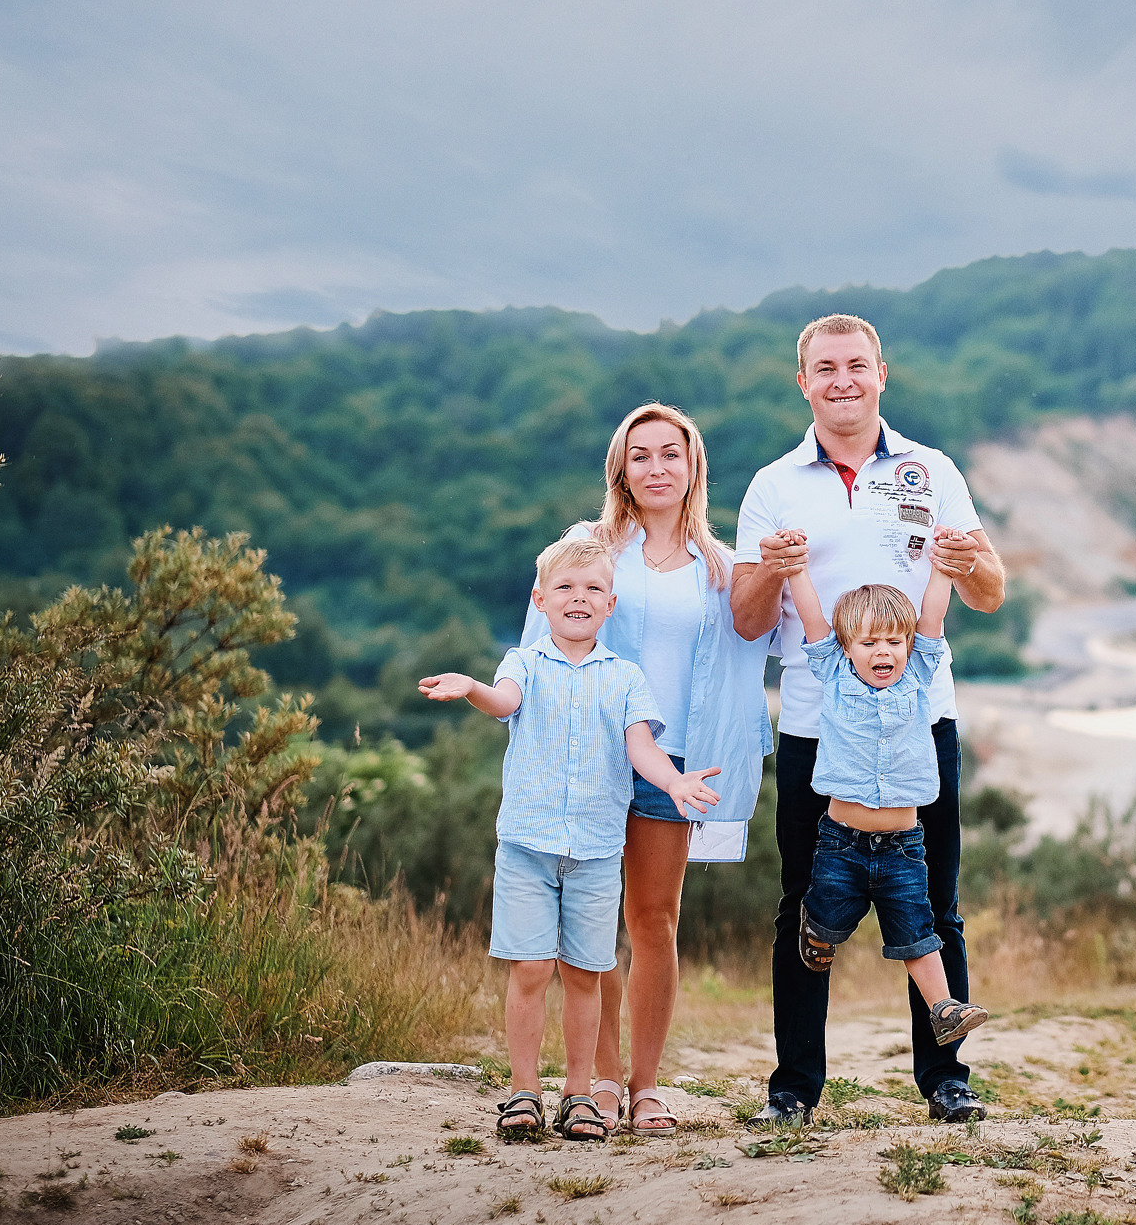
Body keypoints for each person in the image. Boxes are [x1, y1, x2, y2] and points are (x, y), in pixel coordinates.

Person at [731, 313, 1008, 1125]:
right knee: (801, 905)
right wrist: (772, 571)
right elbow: (747, 619)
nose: (842, 379)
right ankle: (793, 1089)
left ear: (882, 373)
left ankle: (947, 1079)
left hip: (923, 723)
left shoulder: (933, 469)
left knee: (937, 903)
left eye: (856, 364)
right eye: (825, 367)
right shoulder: (773, 485)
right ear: (803, 382)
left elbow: (991, 591)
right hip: (815, 728)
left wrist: (967, 563)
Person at [518, 402, 774, 1136]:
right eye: (641, 456)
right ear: (621, 471)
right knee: (592, 916)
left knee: (655, 920)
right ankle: (599, 1080)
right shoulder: (590, 548)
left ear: (692, 468)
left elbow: (759, 641)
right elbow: (540, 647)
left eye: (671, 454)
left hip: (678, 760)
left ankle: (647, 1084)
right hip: (593, 756)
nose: (656, 467)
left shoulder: (723, 567)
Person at [421, 535, 722, 1141]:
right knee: (531, 969)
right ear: (541, 599)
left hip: (596, 853)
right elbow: (503, 703)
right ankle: (523, 1092)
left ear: (611, 604)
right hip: (527, 847)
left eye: (592, 589)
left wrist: (674, 781)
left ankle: (580, 1095)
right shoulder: (522, 663)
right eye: (565, 587)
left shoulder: (626, 678)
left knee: (584, 973)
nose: (578, 598)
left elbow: (642, 747)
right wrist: (472, 687)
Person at [783, 551, 990, 1046]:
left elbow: (932, 616)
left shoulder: (918, 674)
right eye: (870, 642)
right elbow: (812, 617)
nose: (885, 652)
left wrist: (941, 569)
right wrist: (796, 571)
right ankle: (817, 930)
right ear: (846, 646)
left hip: (903, 848)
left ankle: (944, 1009)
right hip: (841, 844)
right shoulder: (833, 672)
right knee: (830, 916)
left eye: (895, 641)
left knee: (917, 930)